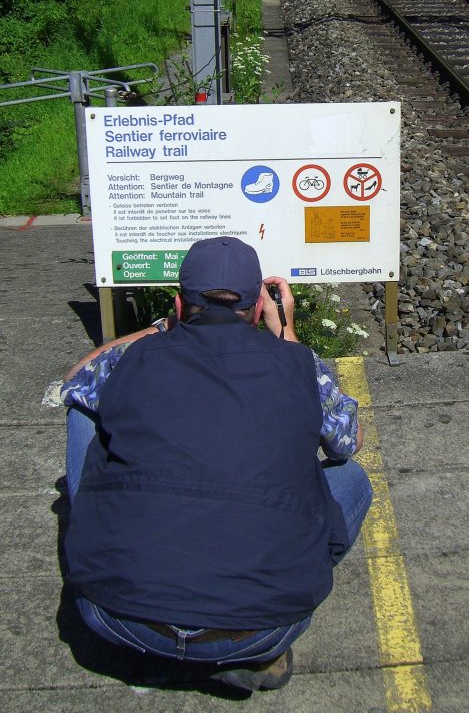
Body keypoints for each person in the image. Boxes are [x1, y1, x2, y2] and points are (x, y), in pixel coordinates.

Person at [62, 235, 372, 693]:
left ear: (179, 305)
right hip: (262, 625)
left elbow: (72, 381)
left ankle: (134, 606)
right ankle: (246, 650)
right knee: (352, 478)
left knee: (84, 410)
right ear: (257, 308)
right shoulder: (297, 365)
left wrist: (159, 329)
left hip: (116, 616)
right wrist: (286, 333)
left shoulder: (136, 357)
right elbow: (350, 441)